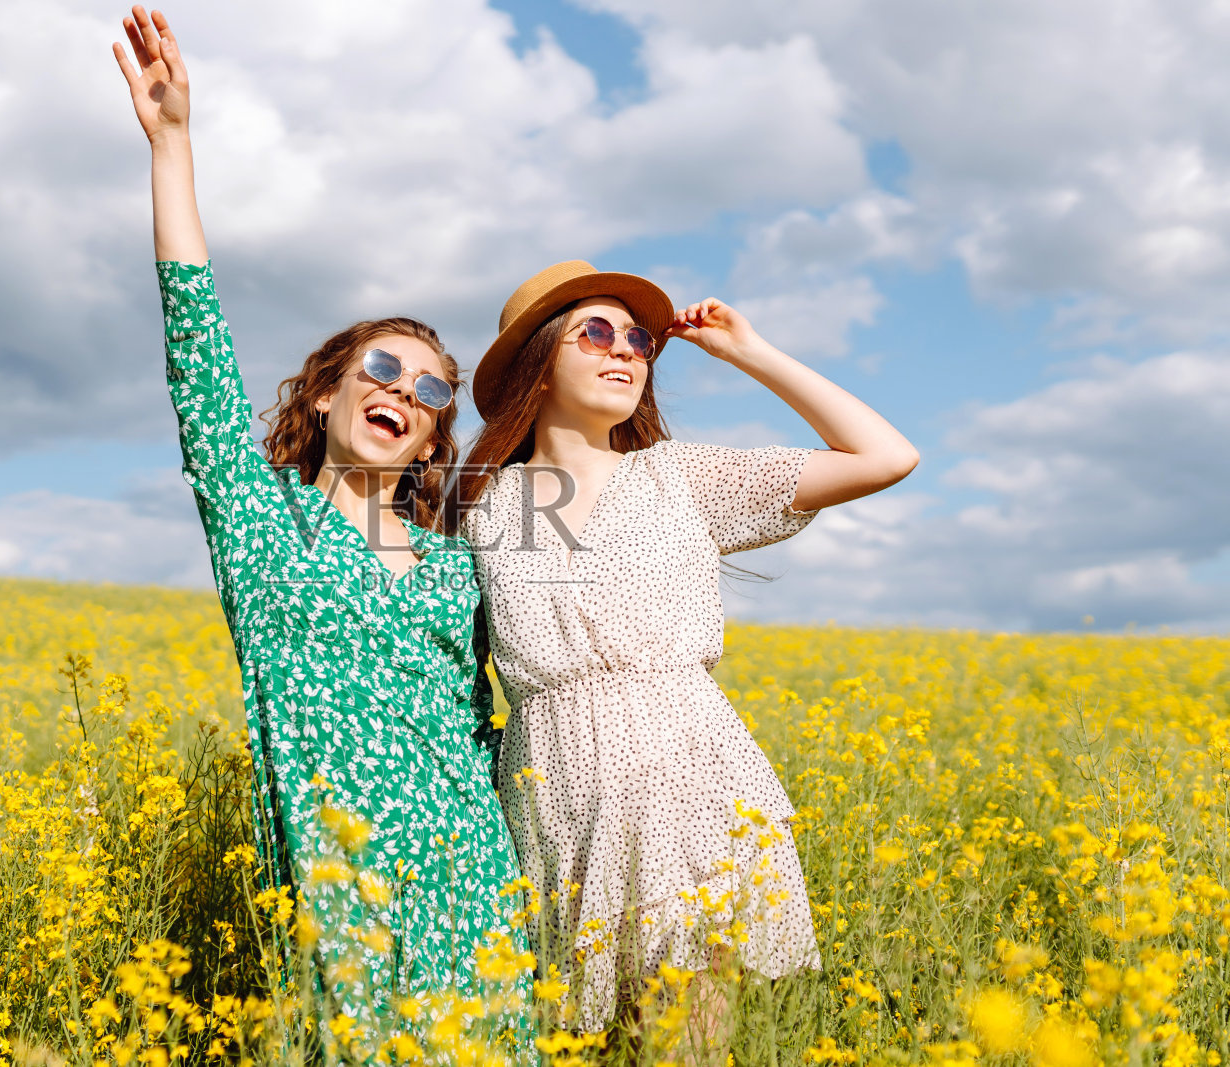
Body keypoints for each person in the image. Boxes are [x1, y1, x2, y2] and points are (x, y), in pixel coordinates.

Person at [113, 6, 532, 1040]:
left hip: (471, 869)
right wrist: (173, 146)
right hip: (332, 866)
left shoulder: (457, 564)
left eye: (434, 390)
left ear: (435, 438)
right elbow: (195, 339)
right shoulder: (258, 517)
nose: (408, 390)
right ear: (328, 393)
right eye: (382, 368)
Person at [453, 260, 919, 1041]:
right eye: (595, 331)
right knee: (581, 1045)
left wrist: (751, 352)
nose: (627, 350)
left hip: (689, 781)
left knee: (683, 1043)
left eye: (639, 339)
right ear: (538, 360)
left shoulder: (681, 477)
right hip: (553, 795)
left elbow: (886, 455)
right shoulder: (480, 506)